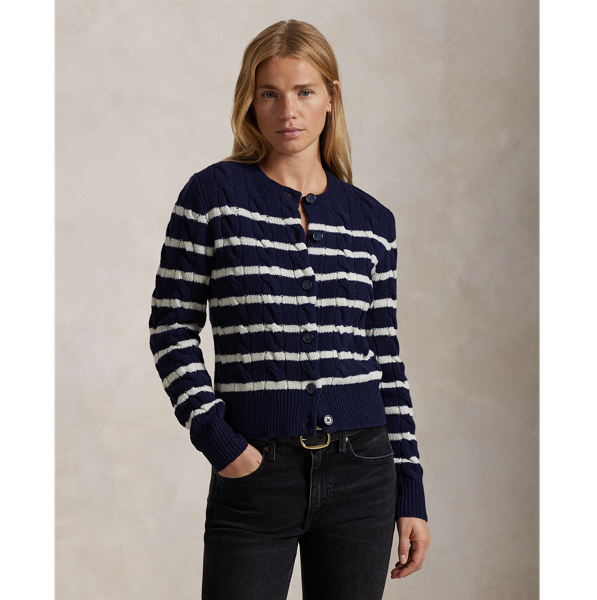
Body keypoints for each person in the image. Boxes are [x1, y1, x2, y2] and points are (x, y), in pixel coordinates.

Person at [149, 19, 430, 600]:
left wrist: (410, 487)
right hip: (255, 470)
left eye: (304, 92)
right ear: (250, 102)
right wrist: (218, 439)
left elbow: (385, 357)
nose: (288, 111)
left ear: (331, 97)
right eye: (269, 94)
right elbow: (171, 327)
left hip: (363, 471)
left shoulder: (372, 221)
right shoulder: (212, 197)